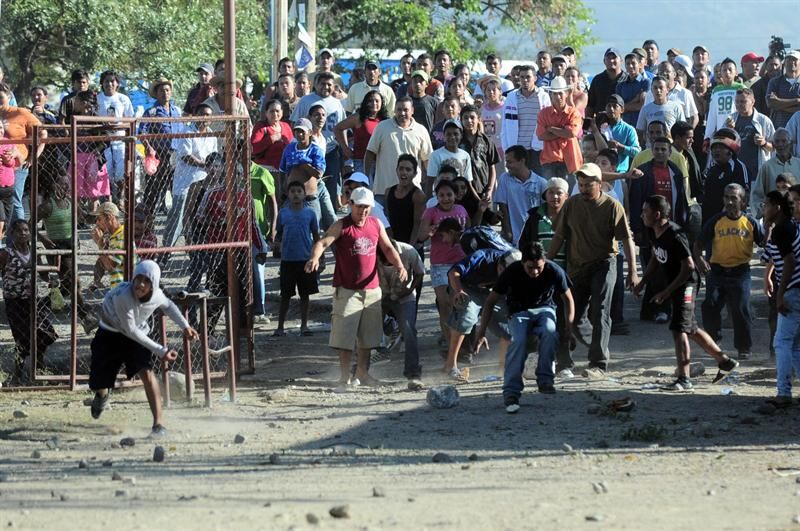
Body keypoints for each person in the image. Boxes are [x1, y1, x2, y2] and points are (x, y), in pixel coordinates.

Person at [633, 195, 739, 391]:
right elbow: (656, 257)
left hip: (687, 284)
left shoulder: (675, 234)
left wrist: (666, 291)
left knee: (678, 328)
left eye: (645, 212)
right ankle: (724, 361)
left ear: (657, 214)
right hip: (675, 284)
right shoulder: (652, 231)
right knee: (690, 327)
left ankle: (684, 378)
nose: (642, 215)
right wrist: (642, 282)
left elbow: (689, 267)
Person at [305, 187, 407, 388]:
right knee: (344, 336)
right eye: (360, 207)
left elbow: (387, 247)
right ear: (350, 204)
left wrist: (400, 265)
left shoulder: (376, 224)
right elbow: (323, 242)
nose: (363, 211)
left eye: (367, 207)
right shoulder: (342, 225)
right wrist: (314, 257)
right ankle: (344, 376)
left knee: (368, 337)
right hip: (347, 289)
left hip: (371, 288)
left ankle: (362, 373)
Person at [88, 260, 200, 436]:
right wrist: (161, 351)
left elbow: (168, 306)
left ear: (153, 284)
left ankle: (158, 425)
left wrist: (185, 326)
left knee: (147, 374)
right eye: (137, 278)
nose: (140, 284)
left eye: (146, 281)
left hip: (136, 334)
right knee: (100, 382)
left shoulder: (157, 295)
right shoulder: (123, 296)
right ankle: (103, 394)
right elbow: (129, 330)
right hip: (110, 334)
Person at [549, 163, 638, 379]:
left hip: (604, 263)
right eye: (580, 184)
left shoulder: (612, 206)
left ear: (600, 184)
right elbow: (559, 236)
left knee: (600, 311)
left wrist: (633, 272)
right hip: (577, 265)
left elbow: (626, 239)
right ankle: (572, 359)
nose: (584, 188)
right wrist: (546, 262)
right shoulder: (571, 205)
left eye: (588, 184)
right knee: (571, 315)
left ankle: (598, 363)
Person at [476, 242, 574, 413]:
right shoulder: (512, 271)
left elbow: (568, 299)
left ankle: (545, 379)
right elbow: (490, 302)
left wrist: (569, 328)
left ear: (544, 261)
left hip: (545, 309)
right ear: (523, 263)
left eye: (538, 267)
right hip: (518, 312)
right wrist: (481, 331)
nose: (535, 272)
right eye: (530, 268)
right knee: (518, 341)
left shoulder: (554, 270)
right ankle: (511, 391)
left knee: (550, 333)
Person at [694, 183, 763, 360]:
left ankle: (743, 347)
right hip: (717, 271)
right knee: (710, 305)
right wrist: (700, 260)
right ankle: (714, 343)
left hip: (740, 272)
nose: (730, 201)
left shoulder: (750, 222)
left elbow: (764, 243)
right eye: (727, 197)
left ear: (743, 201)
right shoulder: (717, 221)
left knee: (741, 309)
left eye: (734, 198)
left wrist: (769, 228)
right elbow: (698, 244)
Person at [444, 231, 517, 376]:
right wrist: (458, 291)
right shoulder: (483, 256)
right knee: (466, 318)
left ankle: (503, 368)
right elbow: (454, 273)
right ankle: (450, 365)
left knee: (509, 326)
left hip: (495, 293)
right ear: (500, 263)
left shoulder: (519, 272)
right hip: (468, 288)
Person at [417, 180, 470, 376]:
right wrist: (431, 231)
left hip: (461, 262)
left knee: (461, 304)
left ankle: (459, 348)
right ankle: (450, 349)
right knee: (445, 305)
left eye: (449, 194)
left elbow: (469, 231)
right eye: (441, 195)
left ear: (455, 195)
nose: (445, 198)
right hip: (439, 264)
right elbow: (421, 235)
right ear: (436, 196)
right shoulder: (430, 212)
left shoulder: (462, 210)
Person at [0, 219, 58, 383]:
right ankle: (17, 373)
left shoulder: (34, 252)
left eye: (26, 230)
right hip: (15, 302)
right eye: (19, 231)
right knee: (21, 338)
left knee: (44, 333)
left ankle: (39, 368)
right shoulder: (6, 253)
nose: (23, 233)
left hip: (33, 299)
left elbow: (43, 274)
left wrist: (52, 282)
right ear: (12, 234)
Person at [761, 191, 800, 408]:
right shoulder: (790, 227)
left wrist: (781, 293)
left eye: (766, 205)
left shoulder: (783, 229)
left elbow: (790, 261)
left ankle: (784, 393)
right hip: (795, 290)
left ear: (777, 207)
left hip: (793, 290)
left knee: (781, 342)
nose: (763, 209)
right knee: (794, 345)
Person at [377, 238, 426, 390]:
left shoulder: (409, 251)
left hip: (404, 295)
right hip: (379, 295)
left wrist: (410, 290)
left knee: (409, 329)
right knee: (367, 329)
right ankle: (361, 370)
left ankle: (413, 373)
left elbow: (420, 272)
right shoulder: (373, 252)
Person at [365, 97, 432, 205]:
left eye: (406, 110)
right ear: (394, 110)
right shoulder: (382, 127)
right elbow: (370, 152)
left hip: (411, 192)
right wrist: (366, 177)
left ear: (412, 111)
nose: (402, 113)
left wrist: (430, 186)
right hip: (383, 191)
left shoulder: (421, 130)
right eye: (399, 109)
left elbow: (427, 160)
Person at [273, 180, 319, 336]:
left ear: (304, 194)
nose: (296, 194)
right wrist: (277, 246)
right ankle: (280, 327)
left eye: (299, 191)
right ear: (288, 194)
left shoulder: (310, 214)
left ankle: (304, 326)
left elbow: (316, 235)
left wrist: (318, 256)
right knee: (285, 295)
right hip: (287, 260)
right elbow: (279, 232)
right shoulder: (283, 213)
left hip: (305, 260)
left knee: (305, 295)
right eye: (292, 191)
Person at [279, 118, 334, 230]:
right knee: (288, 227)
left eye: (302, 131)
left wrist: (304, 164)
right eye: (297, 131)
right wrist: (282, 190)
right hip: (292, 198)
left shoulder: (315, 150)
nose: (299, 134)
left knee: (314, 229)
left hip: (310, 198)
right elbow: (282, 171)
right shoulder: (289, 149)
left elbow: (319, 174)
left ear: (309, 132)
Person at [0, 83, 44, 225]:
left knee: (14, 200)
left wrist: (32, 157)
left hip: (17, 166)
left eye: (1, 97)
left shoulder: (21, 113)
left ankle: (19, 241)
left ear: (8, 96)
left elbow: (42, 133)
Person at [500, 64, 551, 174]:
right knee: (518, 181)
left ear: (535, 78)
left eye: (528, 77)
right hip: (518, 148)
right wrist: (507, 148)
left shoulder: (543, 97)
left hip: (537, 148)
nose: (524, 80)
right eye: (522, 77)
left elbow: (548, 122)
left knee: (537, 181)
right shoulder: (511, 97)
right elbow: (504, 125)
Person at [494, 145, 548, 245]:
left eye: (510, 162)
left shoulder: (541, 183)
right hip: (513, 239)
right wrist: (508, 231)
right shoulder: (504, 179)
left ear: (522, 161)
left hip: (534, 238)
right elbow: (503, 207)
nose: (507, 165)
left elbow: (546, 211)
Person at [536, 76, 583, 180]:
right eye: (555, 93)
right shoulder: (543, 113)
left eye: (560, 93)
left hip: (570, 161)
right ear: (550, 95)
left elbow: (572, 133)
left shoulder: (573, 112)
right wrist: (563, 131)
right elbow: (541, 135)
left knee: (569, 194)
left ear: (566, 93)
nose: (558, 97)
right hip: (550, 160)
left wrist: (551, 129)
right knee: (550, 192)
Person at [97, 71, 134, 199]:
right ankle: (108, 198)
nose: (109, 84)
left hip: (120, 138)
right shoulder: (98, 99)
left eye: (112, 81)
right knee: (107, 169)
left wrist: (120, 125)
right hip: (103, 139)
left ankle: (121, 196)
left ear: (117, 83)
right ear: (102, 83)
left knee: (121, 169)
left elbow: (130, 119)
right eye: (106, 81)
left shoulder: (123, 99)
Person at [724, 87, 775, 181]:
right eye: (737, 101)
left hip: (757, 173)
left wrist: (763, 143)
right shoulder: (730, 120)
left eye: (743, 101)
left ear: (753, 102)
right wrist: (729, 131)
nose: (739, 104)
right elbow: (722, 145)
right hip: (735, 171)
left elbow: (774, 148)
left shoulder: (763, 121)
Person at [700, 129, 750, 224]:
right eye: (714, 148)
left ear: (731, 151)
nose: (716, 151)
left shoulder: (738, 167)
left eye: (721, 147)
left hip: (731, 220)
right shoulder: (712, 169)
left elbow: (744, 195)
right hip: (709, 219)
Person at [334, 90, 388, 175]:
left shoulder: (386, 121)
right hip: (361, 161)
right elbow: (337, 128)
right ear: (365, 102)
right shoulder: (358, 117)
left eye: (377, 101)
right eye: (370, 101)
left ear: (382, 103)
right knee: (363, 188)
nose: (374, 103)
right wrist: (346, 149)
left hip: (381, 162)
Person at [751, 128, 800, 217]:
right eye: (777, 141)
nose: (780, 144)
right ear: (773, 144)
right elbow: (756, 196)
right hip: (775, 218)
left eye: (784, 141)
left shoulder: (798, 164)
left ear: (790, 144)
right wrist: (764, 213)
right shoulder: (767, 167)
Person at [384, 154, 426, 246]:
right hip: (393, 244)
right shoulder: (388, 192)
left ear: (414, 173)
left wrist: (410, 247)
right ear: (396, 171)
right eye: (401, 169)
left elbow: (417, 224)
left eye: (408, 170)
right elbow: (387, 219)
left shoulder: (418, 195)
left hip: (412, 244)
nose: (404, 172)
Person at [460, 104, 499, 198]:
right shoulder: (458, 141)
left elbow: (492, 168)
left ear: (479, 120)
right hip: (462, 192)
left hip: (483, 190)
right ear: (461, 120)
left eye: (472, 117)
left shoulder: (487, 141)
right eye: (465, 118)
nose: (469, 120)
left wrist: (489, 190)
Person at [426, 119, 474, 196]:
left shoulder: (465, 155)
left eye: (455, 134)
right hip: (442, 199)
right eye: (448, 134)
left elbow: (468, 183)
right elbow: (430, 182)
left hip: (460, 199)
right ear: (443, 136)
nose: (452, 137)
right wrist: (428, 202)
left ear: (461, 135)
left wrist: (477, 201)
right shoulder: (435, 155)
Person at [704, 58, 746, 141]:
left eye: (730, 70)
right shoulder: (716, 90)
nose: (727, 72)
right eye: (724, 70)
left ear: (736, 72)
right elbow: (712, 115)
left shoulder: (741, 88)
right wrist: (707, 137)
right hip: (721, 133)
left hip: (738, 132)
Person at [252, 99, 294, 177]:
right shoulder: (261, 127)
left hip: (285, 170)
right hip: (266, 171)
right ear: (266, 113)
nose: (275, 114)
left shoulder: (286, 126)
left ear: (282, 112)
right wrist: (271, 139)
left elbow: (292, 146)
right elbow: (254, 148)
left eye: (277, 111)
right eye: (272, 111)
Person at [91, 201, 125, 289]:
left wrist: (99, 242)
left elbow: (110, 267)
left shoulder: (120, 236)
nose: (97, 223)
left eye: (99, 219)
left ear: (109, 217)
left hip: (122, 288)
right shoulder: (116, 234)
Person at [766, 50, 800, 128]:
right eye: (788, 60)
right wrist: (797, 101)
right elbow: (771, 103)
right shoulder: (774, 82)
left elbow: (776, 104)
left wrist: (779, 103)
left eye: (795, 60)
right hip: (780, 127)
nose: (792, 62)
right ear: (784, 63)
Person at [615, 52, 651, 126]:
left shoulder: (646, 82)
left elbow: (643, 105)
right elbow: (617, 109)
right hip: (625, 125)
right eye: (628, 64)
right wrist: (636, 99)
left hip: (642, 125)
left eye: (633, 63)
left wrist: (624, 106)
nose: (630, 66)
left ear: (640, 65)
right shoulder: (620, 86)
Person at [587, 48, 623, 117]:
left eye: (614, 58)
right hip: (600, 123)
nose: (611, 60)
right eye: (608, 58)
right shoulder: (597, 80)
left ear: (621, 60)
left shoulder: (627, 79)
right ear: (604, 61)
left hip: (622, 124)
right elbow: (590, 105)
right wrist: (588, 123)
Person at [407, 69, 438, 136]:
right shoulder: (406, 102)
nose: (418, 84)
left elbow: (437, 122)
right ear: (411, 84)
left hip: (428, 138)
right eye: (415, 81)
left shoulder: (433, 102)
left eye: (421, 81)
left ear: (426, 84)